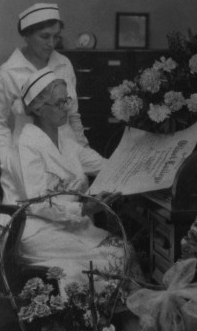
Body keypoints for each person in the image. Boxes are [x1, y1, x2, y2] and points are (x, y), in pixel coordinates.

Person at [9, 67, 140, 301]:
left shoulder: (64, 140)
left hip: (69, 226)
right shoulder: (27, 143)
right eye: (59, 103)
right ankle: (96, 326)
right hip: (40, 231)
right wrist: (84, 208)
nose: (66, 108)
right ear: (38, 108)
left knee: (124, 250)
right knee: (113, 257)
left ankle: (115, 321)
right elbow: (36, 204)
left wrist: (142, 168)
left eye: (67, 101)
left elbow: (106, 166)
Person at [0, 2, 89, 206]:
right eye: (44, 36)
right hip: (28, 162)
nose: (51, 43)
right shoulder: (9, 72)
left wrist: (82, 152)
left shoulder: (64, 65)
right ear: (26, 35)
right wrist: (9, 159)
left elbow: (73, 116)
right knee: (38, 217)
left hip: (67, 157)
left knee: (76, 218)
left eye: (56, 36)